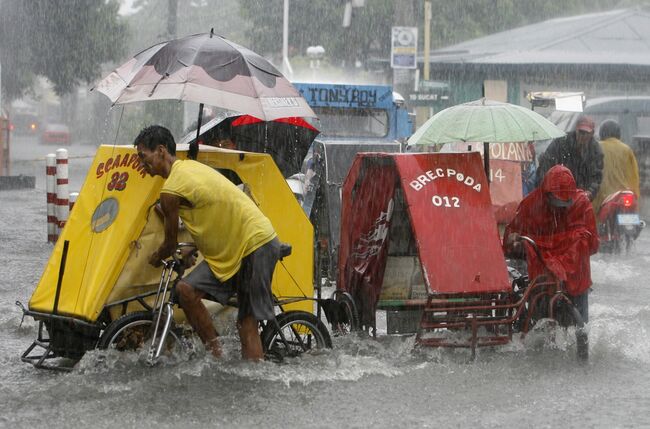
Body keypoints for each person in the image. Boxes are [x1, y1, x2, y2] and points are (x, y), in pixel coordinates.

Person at [134, 125, 280, 360]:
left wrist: (153, 258)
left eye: (143, 157)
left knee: (246, 321)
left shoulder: (171, 189)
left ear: (161, 150)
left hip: (256, 243)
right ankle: (216, 354)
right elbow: (212, 219)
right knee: (186, 290)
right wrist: (191, 249)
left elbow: (168, 245)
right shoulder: (188, 168)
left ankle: (253, 380)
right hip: (234, 248)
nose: (141, 164)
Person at [503, 165, 599, 322]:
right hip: (543, 280)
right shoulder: (530, 205)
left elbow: (593, 243)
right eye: (555, 203)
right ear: (545, 193)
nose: (558, 210)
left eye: (563, 205)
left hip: (575, 279)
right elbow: (511, 240)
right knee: (539, 325)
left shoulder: (582, 204)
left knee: (580, 326)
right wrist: (515, 241)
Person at [537, 115, 604, 201]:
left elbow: (597, 176)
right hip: (559, 192)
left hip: (581, 197)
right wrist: (546, 186)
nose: (583, 136)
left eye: (586, 133)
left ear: (592, 133)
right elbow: (547, 163)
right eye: (581, 132)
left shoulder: (595, 150)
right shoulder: (562, 142)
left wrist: (589, 192)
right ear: (576, 129)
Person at [592, 119, 640, 211]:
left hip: (602, 195)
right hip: (623, 194)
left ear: (602, 133)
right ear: (618, 133)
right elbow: (634, 175)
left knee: (593, 217)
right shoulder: (626, 149)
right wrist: (635, 193)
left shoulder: (596, 147)